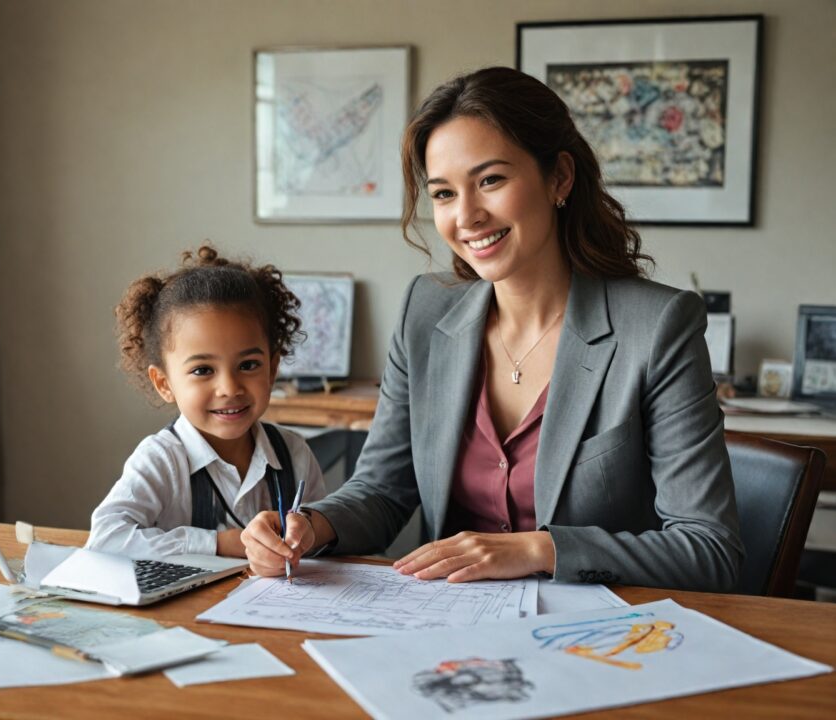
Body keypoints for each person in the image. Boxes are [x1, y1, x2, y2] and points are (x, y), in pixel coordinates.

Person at [241, 67, 743, 591]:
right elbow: (384, 490)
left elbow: (709, 549)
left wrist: (536, 549)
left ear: (560, 179)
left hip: (599, 639)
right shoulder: (424, 310)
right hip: (452, 627)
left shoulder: (657, 327)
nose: (467, 216)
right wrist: (307, 527)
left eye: (491, 181)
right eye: (443, 194)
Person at [87, 245, 325, 558]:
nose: (229, 388)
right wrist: (220, 544)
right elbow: (105, 539)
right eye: (203, 370)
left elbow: (324, 535)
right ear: (164, 383)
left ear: (272, 368)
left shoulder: (295, 454)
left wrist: (306, 540)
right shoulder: (162, 459)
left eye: (249, 365)